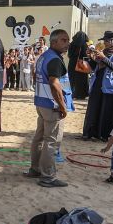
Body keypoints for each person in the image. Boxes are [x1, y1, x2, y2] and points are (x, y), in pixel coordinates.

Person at [25, 29, 73, 188]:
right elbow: (54, 83)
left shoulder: (43, 56)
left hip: (41, 102)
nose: (67, 43)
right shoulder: (54, 59)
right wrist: (62, 105)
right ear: (54, 42)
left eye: (67, 40)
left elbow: (35, 75)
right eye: (63, 40)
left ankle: (35, 169)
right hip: (51, 105)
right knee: (51, 141)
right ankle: (48, 177)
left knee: (39, 138)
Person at [83, 32, 113, 141]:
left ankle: (104, 134)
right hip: (98, 83)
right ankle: (90, 132)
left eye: (106, 41)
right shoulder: (103, 52)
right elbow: (94, 67)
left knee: (106, 109)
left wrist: (103, 58)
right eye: (104, 41)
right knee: (94, 107)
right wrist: (90, 57)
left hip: (110, 86)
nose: (105, 43)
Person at [68, 32, 90, 99]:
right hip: (81, 65)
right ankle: (81, 95)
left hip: (72, 64)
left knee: (72, 79)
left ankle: (72, 94)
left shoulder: (71, 44)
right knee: (81, 80)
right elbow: (85, 55)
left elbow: (69, 54)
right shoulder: (84, 45)